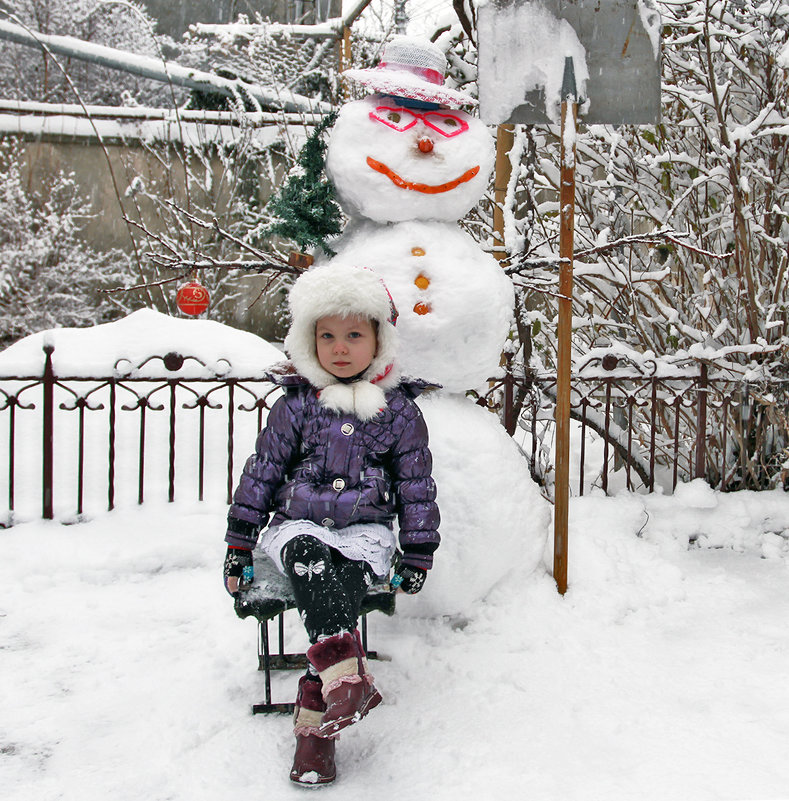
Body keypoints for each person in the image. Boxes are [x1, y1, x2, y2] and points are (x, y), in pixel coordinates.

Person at [222, 263, 440, 786]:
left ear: (379, 340)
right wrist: (239, 541)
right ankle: (345, 679)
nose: (340, 348)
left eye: (354, 335)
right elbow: (263, 472)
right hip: (297, 528)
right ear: (308, 340)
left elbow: (415, 485)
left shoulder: (397, 411)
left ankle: (316, 727)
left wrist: (417, 552)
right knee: (309, 554)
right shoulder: (296, 405)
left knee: (337, 570)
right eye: (327, 336)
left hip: (363, 533)